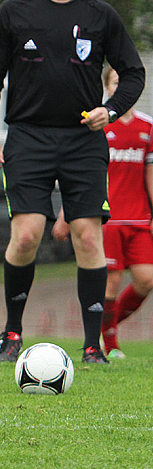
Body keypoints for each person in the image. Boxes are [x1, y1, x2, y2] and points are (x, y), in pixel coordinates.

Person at [0, 0, 145, 364]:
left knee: (89, 239)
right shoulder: (14, 12)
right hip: (28, 137)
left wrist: (112, 107)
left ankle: (92, 346)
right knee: (28, 234)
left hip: (83, 139)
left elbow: (133, 72)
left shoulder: (100, 16)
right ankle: (12, 333)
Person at [52, 67, 153, 359]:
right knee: (109, 283)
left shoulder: (147, 128)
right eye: (115, 82)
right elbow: (77, 176)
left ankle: (101, 329)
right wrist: (64, 215)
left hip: (138, 219)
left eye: (126, 83)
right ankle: (110, 344)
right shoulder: (97, 126)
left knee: (147, 279)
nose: (121, 87)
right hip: (106, 217)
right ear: (107, 88)